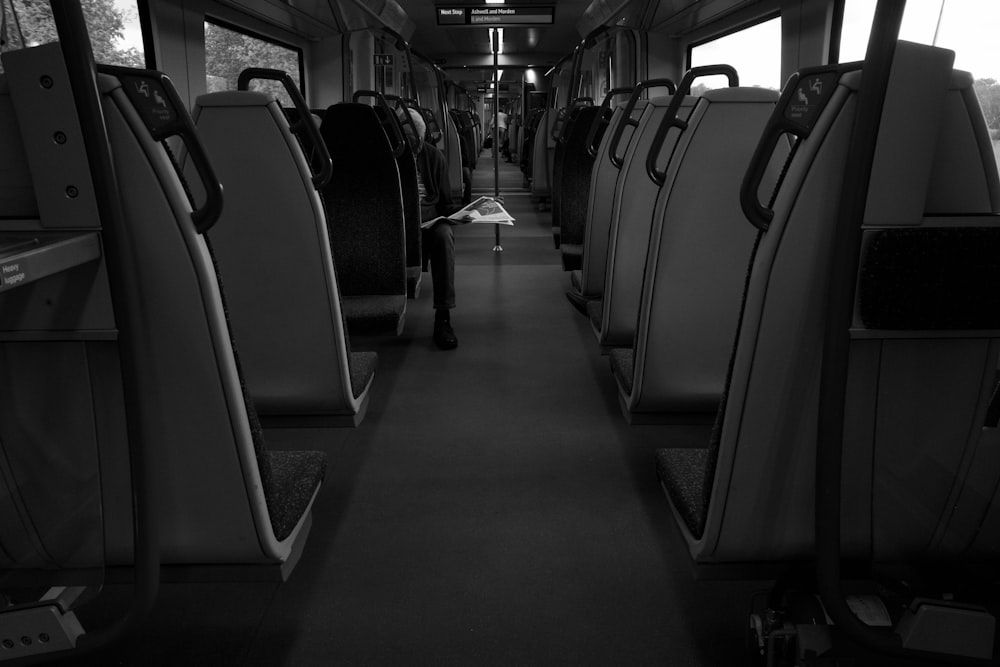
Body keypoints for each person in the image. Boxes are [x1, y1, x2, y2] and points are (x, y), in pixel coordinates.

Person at [399, 107, 463, 350]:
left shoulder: (434, 157)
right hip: (400, 222)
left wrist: (458, 218)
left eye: (415, 141)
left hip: (429, 221)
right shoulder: (390, 157)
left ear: (423, 138)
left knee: (444, 235)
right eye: (406, 139)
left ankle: (443, 317)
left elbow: (446, 203)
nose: (411, 147)